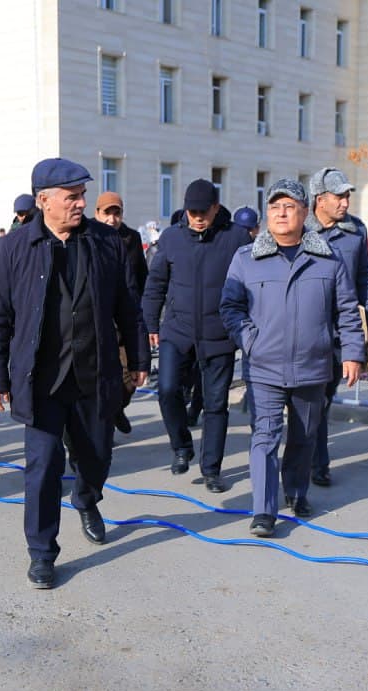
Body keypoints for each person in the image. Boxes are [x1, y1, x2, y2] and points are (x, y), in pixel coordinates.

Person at [0, 158, 149, 589]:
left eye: (82, 196)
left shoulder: (106, 242)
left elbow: (128, 307)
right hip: (41, 378)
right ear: (43, 201)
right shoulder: (16, 247)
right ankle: (42, 553)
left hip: (95, 374)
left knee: (96, 456)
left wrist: (139, 360)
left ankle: (87, 498)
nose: (80, 204)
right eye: (71, 197)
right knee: (42, 466)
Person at [219, 179, 366, 536]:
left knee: (303, 436)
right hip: (264, 366)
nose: (281, 214)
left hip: (312, 366)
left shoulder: (328, 260)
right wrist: (250, 340)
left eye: (289, 207)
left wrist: (352, 352)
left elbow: (346, 309)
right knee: (265, 438)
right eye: (274, 208)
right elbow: (230, 307)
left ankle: (297, 493)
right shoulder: (246, 259)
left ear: (304, 213)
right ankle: (264, 511)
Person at [141, 179, 251, 493]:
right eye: (193, 211)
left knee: (216, 405)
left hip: (219, 333)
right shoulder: (172, 238)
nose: (198, 217)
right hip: (177, 330)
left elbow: (252, 285)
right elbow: (156, 284)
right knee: (167, 388)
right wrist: (150, 323)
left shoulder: (236, 238)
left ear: (216, 208)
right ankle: (181, 446)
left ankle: (212, 470)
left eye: (204, 211)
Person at [304, 167, 368, 487]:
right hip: (307, 327)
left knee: (324, 396)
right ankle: (310, 458)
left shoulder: (355, 231)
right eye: (339, 196)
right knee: (311, 398)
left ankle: (315, 459)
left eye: (347, 195)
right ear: (320, 200)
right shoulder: (300, 232)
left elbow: (365, 276)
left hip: (343, 328)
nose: (345, 202)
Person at [94, 190, 149, 434]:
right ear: (97, 214)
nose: (112, 219)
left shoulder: (132, 238)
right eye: (107, 213)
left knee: (131, 378)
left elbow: (142, 278)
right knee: (102, 378)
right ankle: (104, 424)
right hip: (99, 320)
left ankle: (117, 407)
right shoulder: (88, 237)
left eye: (116, 213)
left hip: (126, 319)